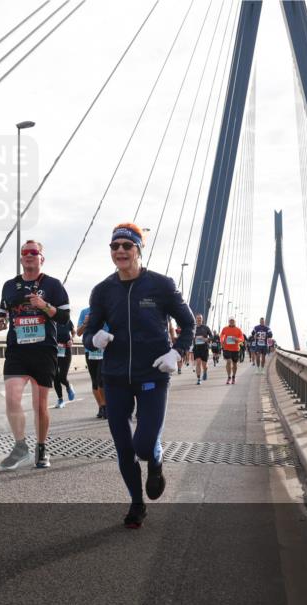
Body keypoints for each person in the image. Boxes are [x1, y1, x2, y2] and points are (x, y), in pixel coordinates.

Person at [83, 223, 194, 529]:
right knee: (124, 448)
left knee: (143, 446)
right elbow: (89, 332)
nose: (120, 250)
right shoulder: (102, 290)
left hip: (153, 375)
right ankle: (136, 503)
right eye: (114, 246)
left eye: (126, 246)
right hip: (115, 377)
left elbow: (189, 325)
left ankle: (155, 460)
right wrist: (93, 339)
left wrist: (177, 353)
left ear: (138, 250)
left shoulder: (161, 285)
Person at [0, 240, 71, 470]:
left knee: (40, 405)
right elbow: (2, 313)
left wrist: (44, 306)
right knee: (12, 399)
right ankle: (20, 447)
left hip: (43, 350)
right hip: (17, 350)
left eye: (33, 252)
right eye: (25, 252)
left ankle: (41, 447)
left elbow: (64, 317)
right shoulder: (9, 285)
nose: (28, 255)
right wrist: (0, 322)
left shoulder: (53, 285)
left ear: (41, 258)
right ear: (21, 258)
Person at [76, 307, 108, 418]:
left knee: (101, 380)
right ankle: (101, 407)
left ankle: (106, 406)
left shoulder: (108, 310)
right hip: (90, 351)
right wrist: (85, 323)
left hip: (104, 351)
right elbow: (78, 333)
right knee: (95, 381)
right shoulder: (84, 312)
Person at [53, 313, 76, 408]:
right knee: (55, 377)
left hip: (66, 350)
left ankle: (68, 386)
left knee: (62, 376)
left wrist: (72, 339)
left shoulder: (67, 320)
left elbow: (73, 332)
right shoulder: (51, 321)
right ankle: (60, 400)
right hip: (54, 351)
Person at [218, 318, 245, 385]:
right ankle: (229, 377)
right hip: (227, 348)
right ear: (228, 322)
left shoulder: (238, 329)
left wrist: (237, 339)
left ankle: (233, 377)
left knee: (235, 364)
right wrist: (222, 341)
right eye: (230, 321)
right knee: (229, 361)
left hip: (235, 349)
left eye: (233, 321)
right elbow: (222, 335)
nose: (231, 322)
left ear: (235, 322)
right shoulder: (225, 328)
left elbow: (242, 339)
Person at [192, 314, 212, 385]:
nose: (199, 319)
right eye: (197, 318)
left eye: (200, 318)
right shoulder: (193, 328)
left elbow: (211, 336)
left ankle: (205, 371)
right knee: (198, 363)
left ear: (202, 319)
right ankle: (198, 379)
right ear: (196, 319)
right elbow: (189, 336)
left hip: (204, 348)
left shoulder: (206, 327)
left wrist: (206, 339)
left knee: (204, 365)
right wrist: (192, 338)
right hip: (196, 348)